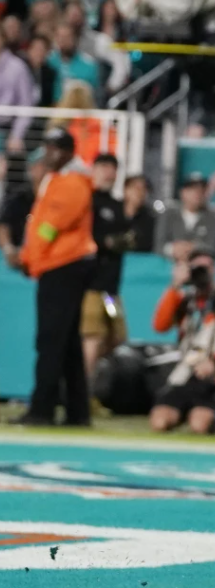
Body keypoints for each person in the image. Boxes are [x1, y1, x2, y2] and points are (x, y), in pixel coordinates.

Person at [13, 128, 96, 426]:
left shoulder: (72, 182)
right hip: (59, 264)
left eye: (56, 148)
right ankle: (77, 412)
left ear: (70, 152)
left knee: (50, 339)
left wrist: (30, 258)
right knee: (68, 342)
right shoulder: (60, 179)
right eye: (47, 146)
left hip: (62, 265)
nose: (49, 153)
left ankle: (42, 409)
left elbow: (51, 227)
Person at [149, 248, 215, 434]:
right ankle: (185, 412)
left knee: (199, 424)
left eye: (205, 268)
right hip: (189, 373)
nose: (201, 273)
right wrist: (175, 286)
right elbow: (160, 325)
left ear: (214, 269)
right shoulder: (186, 300)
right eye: (196, 268)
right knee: (159, 421)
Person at [82, 153, 129, 388]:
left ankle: (88, 386)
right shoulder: (87, 200)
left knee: (117, 336)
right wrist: (106, 242)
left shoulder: (117, 205)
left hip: (110, 292)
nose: (109, 173)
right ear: (94, 170)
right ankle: (82, 394)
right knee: (93, 336)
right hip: (91, 287)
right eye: (104, 167)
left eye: (113, 168)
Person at [155, 172, 215, 261]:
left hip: (200, 267)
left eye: (202, 190)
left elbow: (214, 247)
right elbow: (158, 245)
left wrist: (193, 247)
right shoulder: (169, 214)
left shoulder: (214, 217)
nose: (197, 194)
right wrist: (172, 249)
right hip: (169, 265)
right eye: (192, 189)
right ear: (182, 192)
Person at [122, 173, 156, 253]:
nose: (141, 193)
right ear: (126, 190)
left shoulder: (149, 220)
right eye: (137, 188)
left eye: (144, 189)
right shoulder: (113, 213)